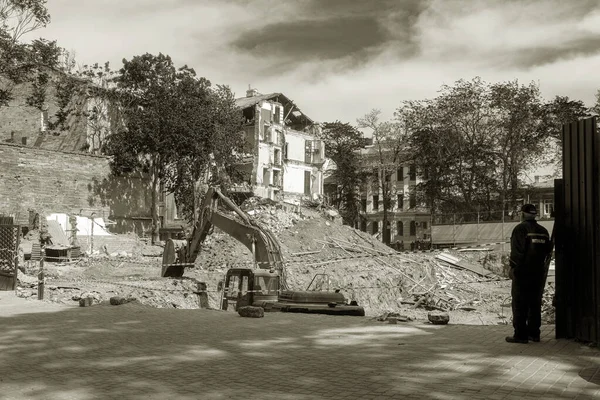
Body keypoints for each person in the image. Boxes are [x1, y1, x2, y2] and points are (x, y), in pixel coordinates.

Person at [506, 204, 552, 344]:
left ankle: (520, 335)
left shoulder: (520, 229)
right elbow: (547, 252)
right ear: (535, 214)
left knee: (520, 303)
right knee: (535, 303)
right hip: (538, 273)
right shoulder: (543, 231)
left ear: (523, 214)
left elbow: (517, 252)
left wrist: (513, 268)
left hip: (522, 272)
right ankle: (534, 333)